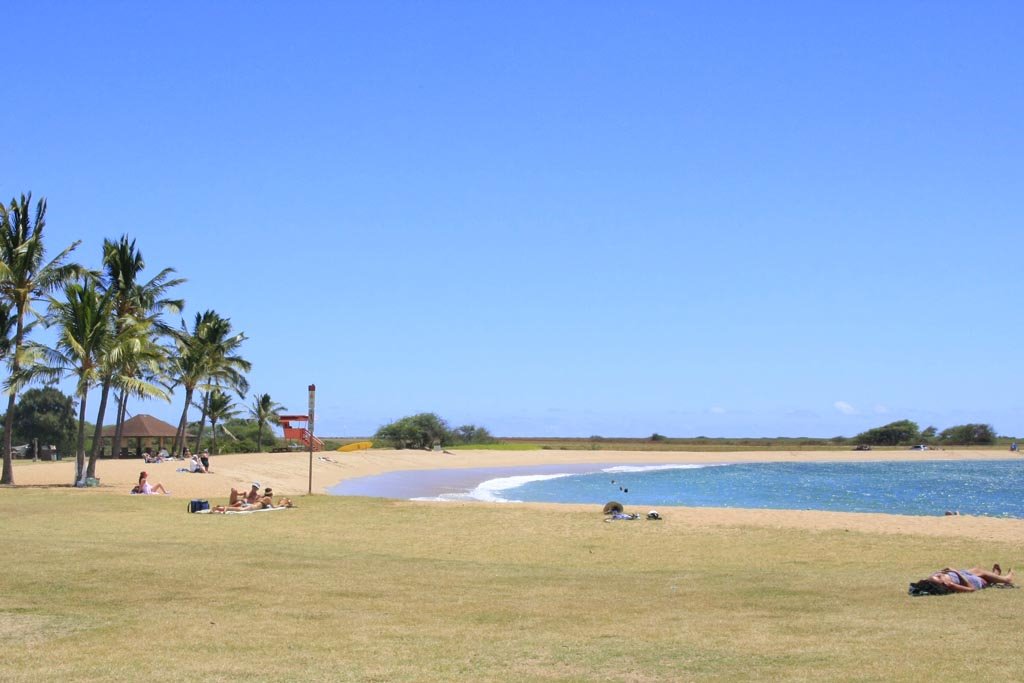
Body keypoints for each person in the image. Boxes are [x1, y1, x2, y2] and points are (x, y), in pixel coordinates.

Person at [911, 565, 1014, 594]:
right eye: (939, 577)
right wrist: (956, 572)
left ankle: (995, 575)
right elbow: (971, 589)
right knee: (980, 572)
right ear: (944, 584)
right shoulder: (950, 584)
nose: (939, 574)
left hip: (964, 574)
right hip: (972, 581)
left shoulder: (931, 581)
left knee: (976, 569)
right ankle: (1006, 579)